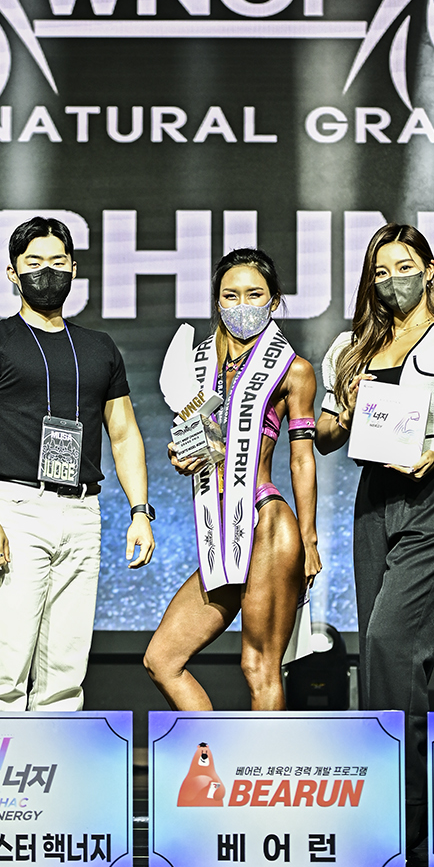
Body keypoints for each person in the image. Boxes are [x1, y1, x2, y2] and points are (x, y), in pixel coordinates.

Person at [316, 223, 434, 848]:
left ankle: (413, 808)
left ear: (429, 269)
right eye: (380, 271)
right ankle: (390, 801)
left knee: (391, 642)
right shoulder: (353, 347)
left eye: (403, 267)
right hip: (375, 499)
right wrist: (343, 410)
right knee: (375, 653)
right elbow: (326, 435)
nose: (391, 280)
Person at [0, 216, 155, 710]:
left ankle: (53, 757)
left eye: (58, 261)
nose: (48, 271)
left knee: (66, 666)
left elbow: (124, 433)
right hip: (18, 508)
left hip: (83, 511)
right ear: (13, 272)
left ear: (74, 268)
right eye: (35, 262)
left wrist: (140, 511)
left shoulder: (99, 347)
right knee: (7, 661)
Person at [144, 249, 322, 711]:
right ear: (217, 301)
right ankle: (216, 755)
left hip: (266, 522)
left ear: (274, 301)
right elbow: (200, 441)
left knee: (259, 666)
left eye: (254, 294)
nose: (242, 304)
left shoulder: (293, 370)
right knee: (162, 659)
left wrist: (310, 539)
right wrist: (180, 453)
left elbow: (301, 459)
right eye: (231, 295)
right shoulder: (197, 365)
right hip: (221, 533)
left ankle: (264, 759)